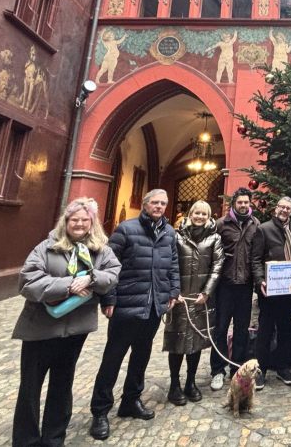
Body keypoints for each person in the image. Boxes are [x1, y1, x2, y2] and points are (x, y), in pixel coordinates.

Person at [12, 198, 120, 447]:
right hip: (40, 327)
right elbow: (28, 282)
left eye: (84, 220)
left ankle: (54, 438)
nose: (79, 224)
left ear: (91, 223)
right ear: (66, 222)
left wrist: (92, 277)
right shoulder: (47, 247)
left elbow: (113, 274)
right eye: (74, 220)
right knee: (30, 386)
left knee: (62, 383)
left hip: (74, 329)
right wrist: (68, 286)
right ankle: (26, 440)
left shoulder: (100, 250)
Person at [90, 189, 180, 442]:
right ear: (145, 204)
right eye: (155, 202)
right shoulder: (126, 229)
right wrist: (108, 298)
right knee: (113, 359)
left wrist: (173, 291)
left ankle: (131, 400)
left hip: (153, 308)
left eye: (164, 203)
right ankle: (100, 411)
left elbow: (173, 264)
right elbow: (107, 265)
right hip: (126, 306)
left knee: (141, 356)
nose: (160, 206)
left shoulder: (169, 232)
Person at [163, 200, 224, 406]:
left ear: (209, 217)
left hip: (200, 299)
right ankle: (174, 384)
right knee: (176, 342)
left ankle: (191, 382)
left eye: (204, 214)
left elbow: (217, 266)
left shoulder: (214, 238)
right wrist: (173, 291)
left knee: (196, 342)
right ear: (190, 214)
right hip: (180, 298)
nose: (199, 217)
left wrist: (206, 292)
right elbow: (169, 264)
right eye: (196, 213)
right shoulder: (176, 236)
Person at [210, 187, 262, 391]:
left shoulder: (255, 225)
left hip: (245, 286)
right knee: (220, 328)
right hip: (225, 285)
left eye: (246, 202)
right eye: (240, 202)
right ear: (233, 203)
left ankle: (237, 369)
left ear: (250, 204)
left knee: (242, 330)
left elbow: (257, 255)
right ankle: (217, 370)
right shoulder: (221, 224)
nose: (243, 205)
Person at [252, 196, 291, 389]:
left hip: (288, 290)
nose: (284, 210)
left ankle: (282, 367)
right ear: (275, 209)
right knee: (265, 330)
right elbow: (255, 259)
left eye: (288, 208)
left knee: (285, 329)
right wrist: (260, 281)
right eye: (282, 207)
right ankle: (260, 370)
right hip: (269, 290)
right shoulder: (263, 229)